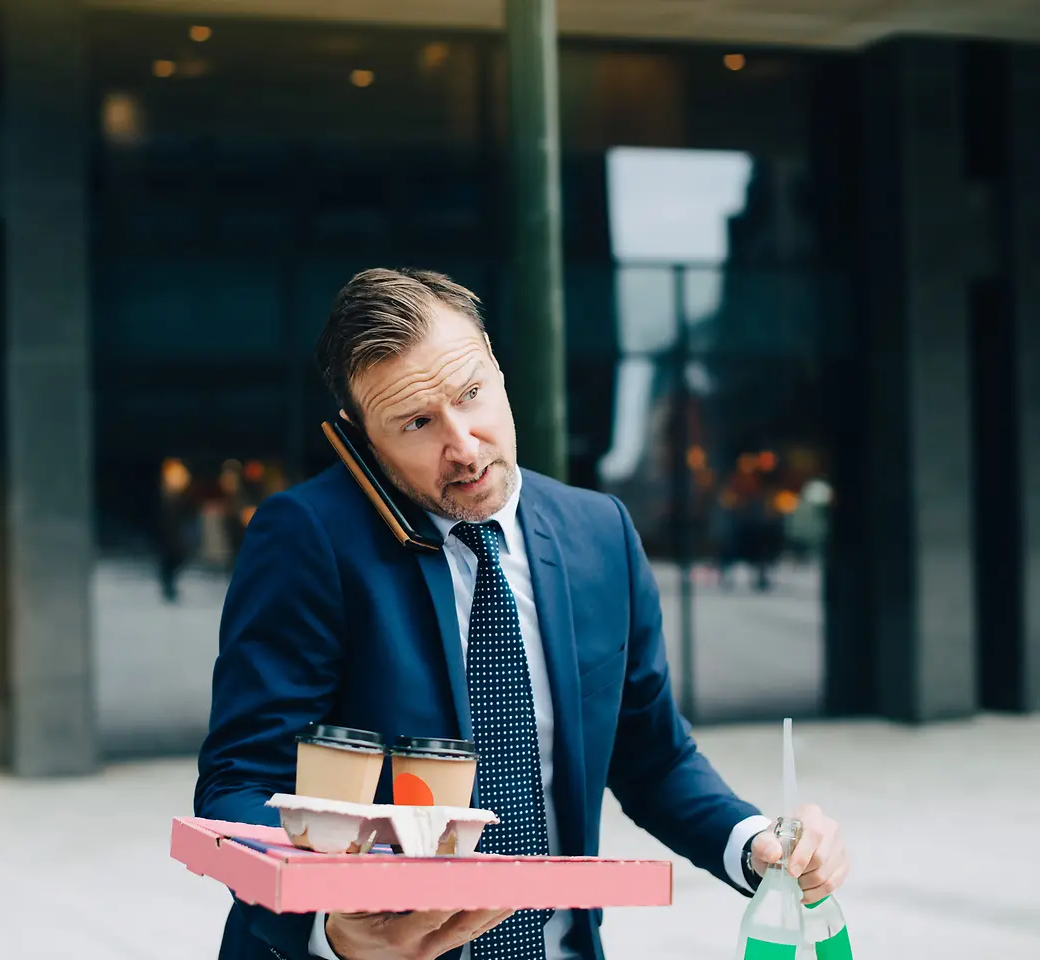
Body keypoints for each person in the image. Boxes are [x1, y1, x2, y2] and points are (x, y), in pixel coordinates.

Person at [194, 268, 850, 960]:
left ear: (499, 371)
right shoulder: (305, 538)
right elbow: (240, 785)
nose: (465, 446)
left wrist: (756, 845)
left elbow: (653, 757)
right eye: (417, 423)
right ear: (360, 436)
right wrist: (326, 926)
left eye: (472, 394)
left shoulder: (600, 532)